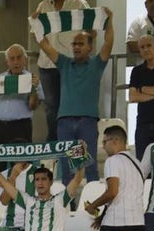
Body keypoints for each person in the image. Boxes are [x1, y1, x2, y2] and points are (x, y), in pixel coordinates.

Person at [36, 7, 115, 182]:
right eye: (74, 44)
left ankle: (92, 207)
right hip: (64, 122)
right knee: (67, 167)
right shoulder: (64, 63)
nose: (76, 47)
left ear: (89, 46)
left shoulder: (97, 63)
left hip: (87, 121)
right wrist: (36, 24)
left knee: (90, 165)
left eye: (80, 43)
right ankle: (67, 207)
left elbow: (108, 43)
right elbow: (44, 44)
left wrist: (109, 21)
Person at [0, 45, 42, 160]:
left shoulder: (32, 79)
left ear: (25, 59)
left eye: (19, 58)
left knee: (21, 165)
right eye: (12, 59)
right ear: (7, 62)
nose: (16, 62)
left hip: (20, 127)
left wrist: (34, 90)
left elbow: (33, 106)